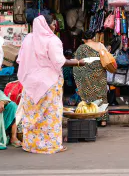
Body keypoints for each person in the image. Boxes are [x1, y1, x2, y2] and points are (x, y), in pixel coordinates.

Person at [17, 15, 86, 154]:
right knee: (50, 114)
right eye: (53, 24)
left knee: (32, 113)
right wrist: (78, 62)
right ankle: (50, 145)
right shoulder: (52, 40)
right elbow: (59, 61)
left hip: (30, 83)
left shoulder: (28, 39)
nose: (55, 27)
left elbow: (21, 59)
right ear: (47, 25)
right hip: (49, 83)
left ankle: (32, 144)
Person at [73, 30, 108, 127]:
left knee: (88, 95)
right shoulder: (100, 45)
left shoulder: (81, 48)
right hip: (100, 74)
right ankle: (103, 120)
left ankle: (91, 117)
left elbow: (77, 62)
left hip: (86, 75)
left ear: (83, 39)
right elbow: (106, 57)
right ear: (93, 37)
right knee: (101, 96)